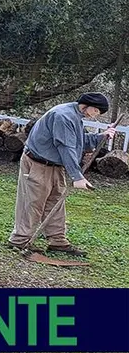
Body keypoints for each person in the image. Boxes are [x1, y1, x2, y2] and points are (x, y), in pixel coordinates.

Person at [7, 92, 115, 256]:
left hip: (55, 165)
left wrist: (100, 137)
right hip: (38, 163)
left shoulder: (75, 116)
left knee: (56, 202)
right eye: (97, 111)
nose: (96, 116)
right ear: (88, 105)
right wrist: (77, 177)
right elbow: (66, 146)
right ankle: (19, 240)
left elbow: (77, 141)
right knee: (33, 202)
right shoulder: (63, 116)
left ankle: (57, 241)